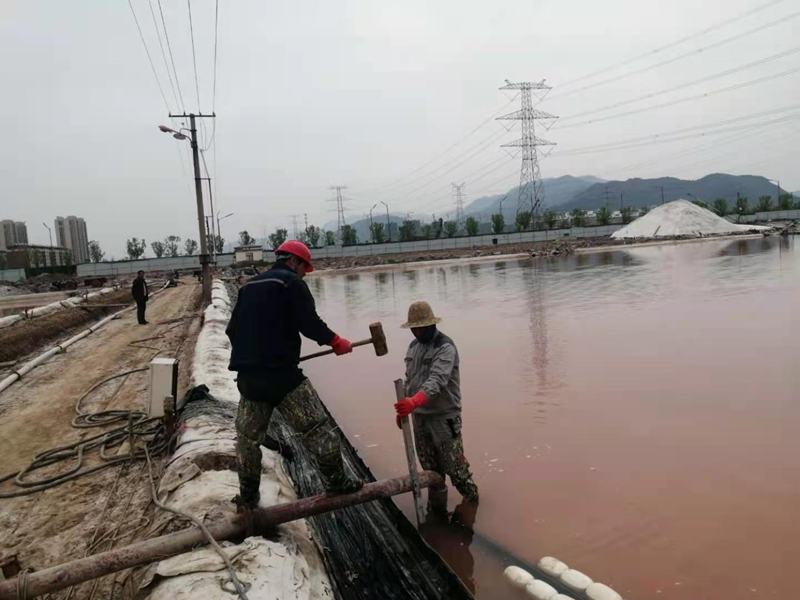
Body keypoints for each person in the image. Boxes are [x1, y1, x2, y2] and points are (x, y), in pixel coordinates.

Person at [226, 240, 362, 509]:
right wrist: (336, 341)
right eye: (303, 268)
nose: (304, 274)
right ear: (293, 261)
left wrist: (251, 356)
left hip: (249, 379)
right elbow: (309, 322)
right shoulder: (290, 283)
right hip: (283, 378)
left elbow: (232, 330)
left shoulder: (248, 287)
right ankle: (337, 483)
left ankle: (248, 499)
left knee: (247, 441)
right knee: (318, 429)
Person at [396, 301, 479, 511]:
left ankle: (472, 508)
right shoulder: (413, 347)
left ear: (430, 325)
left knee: (457, 471)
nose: (415, 332)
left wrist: (414, 401)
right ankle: (437, 510)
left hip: (443, 419)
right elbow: (410, 380)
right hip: (420, 418)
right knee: (431, 473)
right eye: (413, 328)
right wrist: (405, 406)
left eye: (419, 328)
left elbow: (437, 381)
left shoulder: (445, 347)